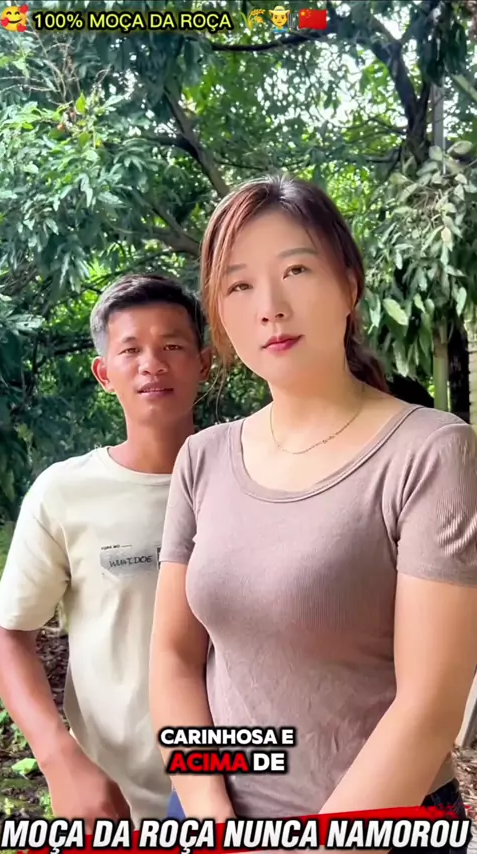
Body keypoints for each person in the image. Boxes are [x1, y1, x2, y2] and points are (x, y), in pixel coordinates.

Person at [149, 176, 477, 844]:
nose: (270, 307)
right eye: (240, 286)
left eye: (296, 270)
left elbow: (429, 708)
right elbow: (174, 656)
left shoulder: (430, 452)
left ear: (349, 286)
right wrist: (211, 819)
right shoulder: (203, 459)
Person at [0, 273, 211, 830]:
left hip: (251, 793)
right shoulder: (65, 493)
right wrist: (57, 756)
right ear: (104, 374)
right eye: (131, 350)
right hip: (118, 807)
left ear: (205, 363)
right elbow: (9, 634)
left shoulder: (253, 475)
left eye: (172, 346)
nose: (152, 365)